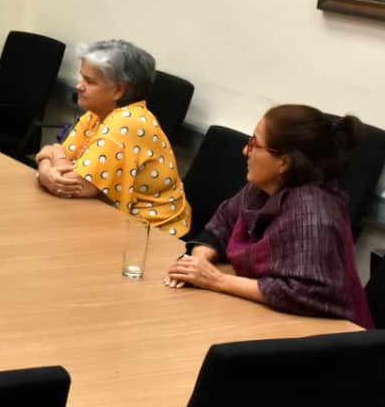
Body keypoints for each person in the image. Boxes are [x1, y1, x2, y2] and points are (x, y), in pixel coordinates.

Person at [166, 104, 373, 328]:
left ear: (283, 162)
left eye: (254, 143)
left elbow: (310, 293)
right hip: (266, 316)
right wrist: (198, 263)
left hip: (333, 336)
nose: (245, 151)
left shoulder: (313, 214)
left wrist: (218, 280)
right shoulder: (263, 187)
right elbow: (222, 225)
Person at [35, 40, 192, 237]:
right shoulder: (98, 112)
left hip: (152, 236)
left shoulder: (126, 123)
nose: (79, 86)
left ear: (119, 90)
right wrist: (48, 163)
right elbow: (63, 168)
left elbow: (71, 185)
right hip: (111, 220)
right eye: (82, 77)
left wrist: (50, 153)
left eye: (90, 81)